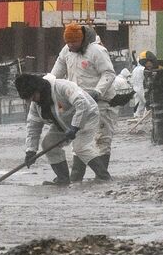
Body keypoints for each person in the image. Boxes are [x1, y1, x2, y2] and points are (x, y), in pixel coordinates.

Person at [50, 23, 117, 180]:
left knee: (101, 139)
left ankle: (101, 177)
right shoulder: (66, 52)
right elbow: (56, 74)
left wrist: (97, 91)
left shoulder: (97, 51)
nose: (71, 45)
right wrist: (49, 86)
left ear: (83, 40)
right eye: (68, 43)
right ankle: (76, 176)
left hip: (99, 102)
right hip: (77, 104)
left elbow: (108, 73)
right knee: (78, 140)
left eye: (74, 42)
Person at [15, 73, 101, 186]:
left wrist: (75, 127)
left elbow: (82, 104)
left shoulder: (62, 87)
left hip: (87, 117)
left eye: (33, 97)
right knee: (48, 144)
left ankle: (103, 176)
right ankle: (63, 179)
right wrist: (31, 151)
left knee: (80, 147)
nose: (33, 101)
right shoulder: (36, 105)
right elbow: (33, 127)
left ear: (38, 89)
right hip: (62, 124)